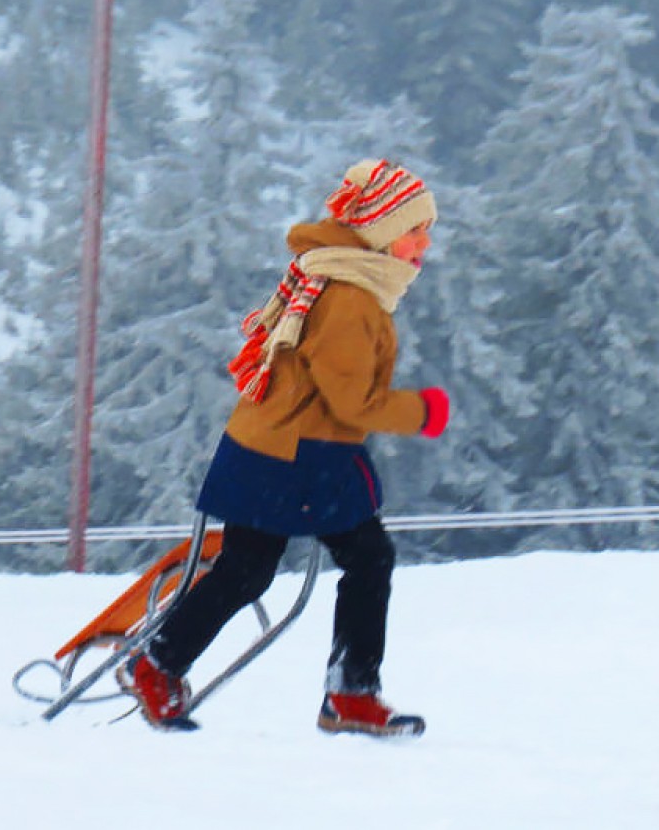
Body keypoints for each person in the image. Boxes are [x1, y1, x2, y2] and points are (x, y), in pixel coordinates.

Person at [117, 158, 450, 735]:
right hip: (300, 457)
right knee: (365, 561)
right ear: (379, 229)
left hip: (274, 448)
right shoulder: (350, 298)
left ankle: (159, 663)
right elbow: (354, 403)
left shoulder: (338, 276)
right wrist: (424, 411)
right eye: (415, 228)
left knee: (248, 571)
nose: (425, 242)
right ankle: (348, 695)